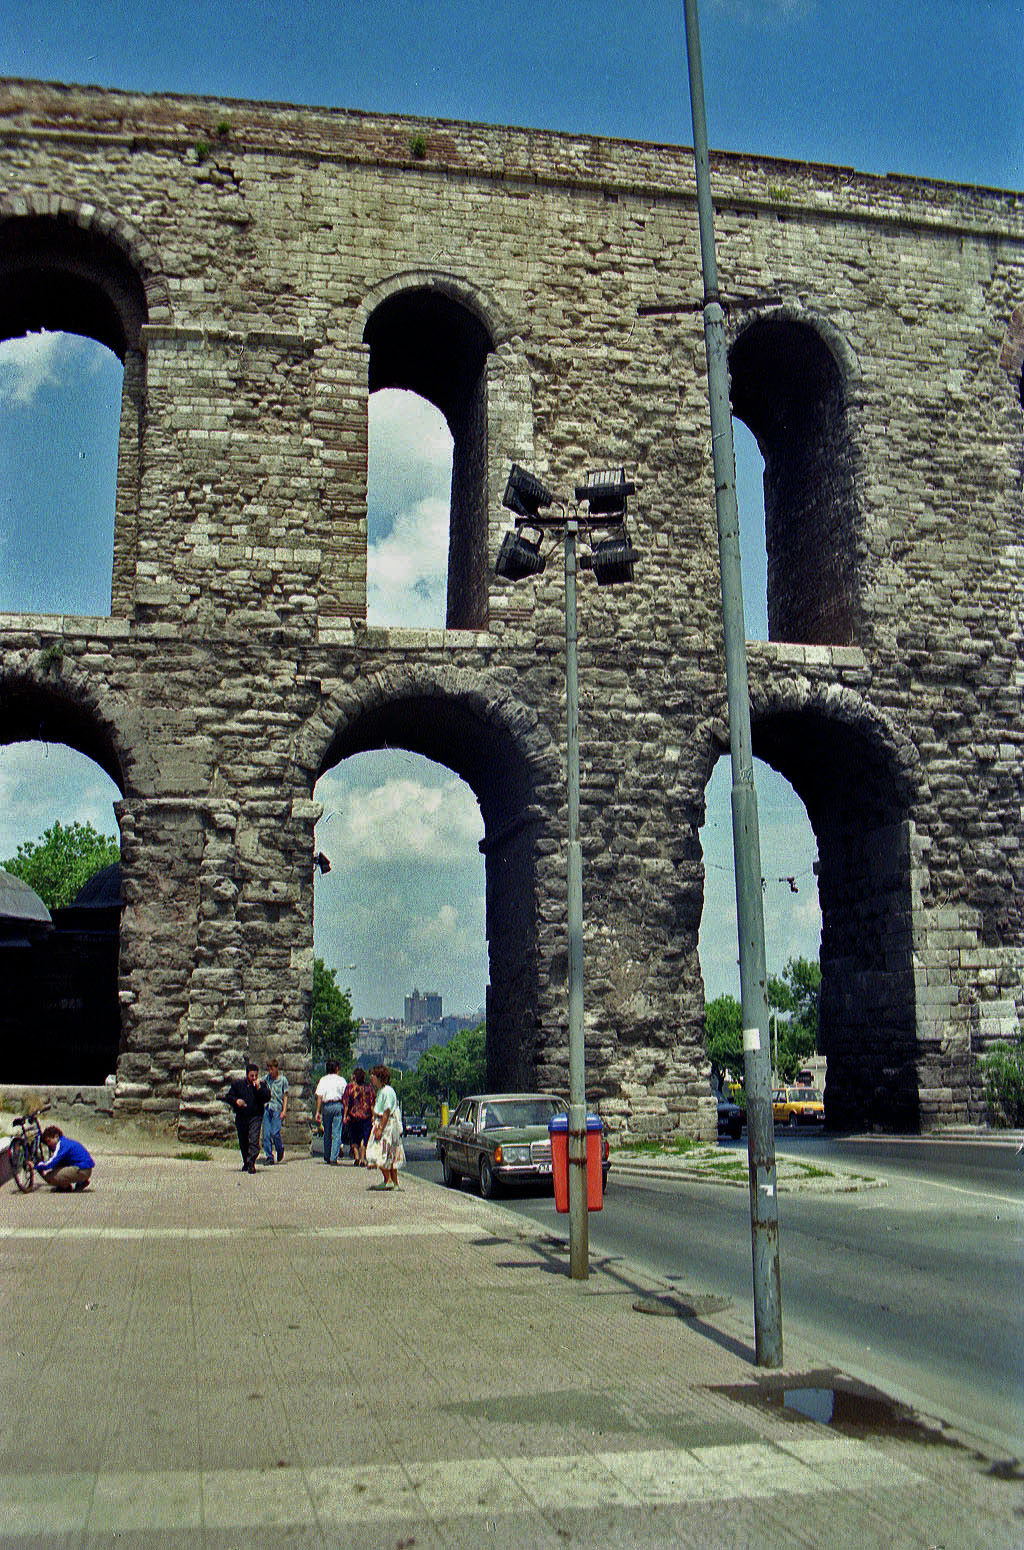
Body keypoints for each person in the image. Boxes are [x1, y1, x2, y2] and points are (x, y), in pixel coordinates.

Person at [226, 1061, 271, 1174]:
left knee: (254, 1141)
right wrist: (236, 1101)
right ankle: (246, 1162)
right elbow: (229, 1096)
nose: (254, 1078)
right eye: (252, 1076)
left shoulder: (262, 1085)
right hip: (242, 1117)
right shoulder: (238, 1085)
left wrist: (259, 1089)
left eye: (256, 1075)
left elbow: (267, 1097)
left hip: (256, 1116)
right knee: (243, 1141)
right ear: (247, 1075)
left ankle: (251, 1162)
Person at [369, 1064, 405, 1190]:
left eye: (373, 1075)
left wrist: (380, 1129)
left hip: (387, 1126)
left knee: (381, 1152)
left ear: (379, 1077)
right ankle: (393, 1182)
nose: (371, 1078)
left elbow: (386, 1111)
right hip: (387, 1125)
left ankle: (389, 1180)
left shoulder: (386, 1091)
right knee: (390, 1154)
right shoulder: (382, 1091)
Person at [33, 1126, 94, 1191]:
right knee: (57, 1166)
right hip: (85, 1168)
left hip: (82, 1169)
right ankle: (79, 1182)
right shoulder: (65, 1142)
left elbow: (51, 1162)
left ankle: (66, 1186)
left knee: (49, 1177)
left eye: (49, 1141)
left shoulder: (61, 1145)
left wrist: (35, 1166)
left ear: (56, 1136)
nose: (48, 1144)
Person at [314, 1059, 347, 1165]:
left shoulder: (323, 1080)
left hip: (327, 1106)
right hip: (338, 1105)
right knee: (337, 1132)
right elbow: (345, 1097)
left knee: (327, 1132)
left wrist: (317, 1112)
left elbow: (319, 1096)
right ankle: (334, 1157)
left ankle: (327, 1155)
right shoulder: (341, 1080)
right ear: (337, 1069)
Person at [343, 1066, 374, 1166]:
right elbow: (372, 1103)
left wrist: (345, 1116)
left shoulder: (350, 1087)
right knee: (364, 1138)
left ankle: (356, 1157)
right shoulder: (369, 1087)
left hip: (353, 1116)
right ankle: (362, 1158)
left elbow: (346, 1103)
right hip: (366, 1116)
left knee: (354, 1137)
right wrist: (374, 1116)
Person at [261, 1057, 289, 1165]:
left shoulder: (283, 1080)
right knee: (266, 1134)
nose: (270, 1071)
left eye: (271, 1069)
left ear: (276, 1068)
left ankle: (280, 1148)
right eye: (268, 1069)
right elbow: (259, 1081)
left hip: (277, 1108)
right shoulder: (267, 1079)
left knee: (275, 1132)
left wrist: (284, 1111)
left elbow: (285, 1096)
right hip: (268, 1107)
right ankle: (269, 1156)